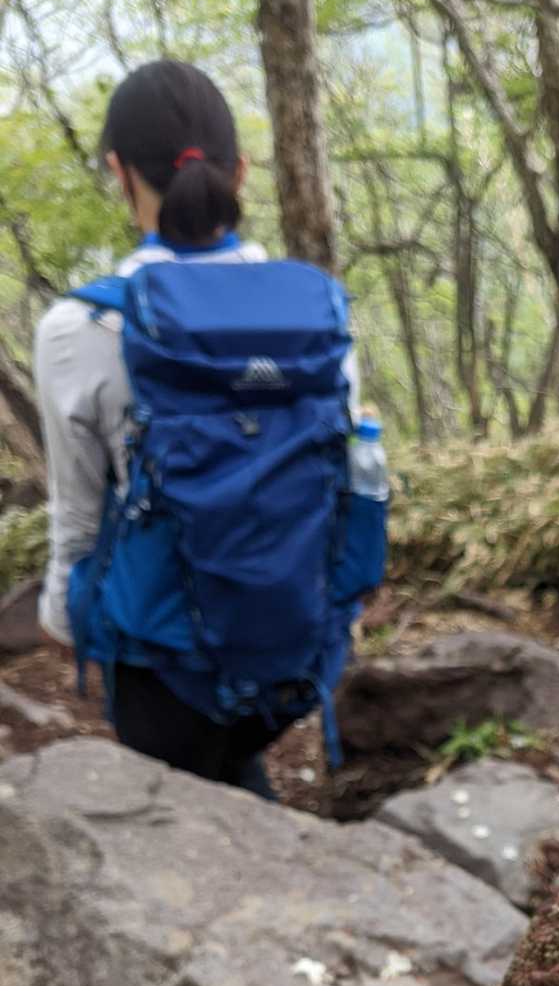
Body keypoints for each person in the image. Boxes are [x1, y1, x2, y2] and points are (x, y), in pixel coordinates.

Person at [34, 59, 379, 798]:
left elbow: (79, 515)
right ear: (240, 171)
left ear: (119, 172)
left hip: (162, 661)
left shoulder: (81, 324)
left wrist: (66, 622)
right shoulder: (319, 312)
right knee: (235, 771)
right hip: (298, 640)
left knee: (183, 798)